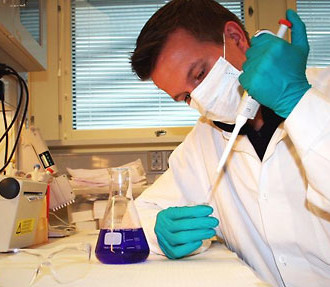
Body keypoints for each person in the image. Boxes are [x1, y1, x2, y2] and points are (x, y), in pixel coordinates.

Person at [130, 0, 330, 286]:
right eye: (185, 97)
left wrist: (298, 103)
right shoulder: (204, 139)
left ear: (235, 38)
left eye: (199, 74)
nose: (199, 99)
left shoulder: (325, 90)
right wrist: (159, 233)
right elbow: (140, 214)